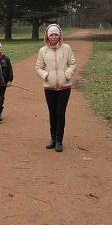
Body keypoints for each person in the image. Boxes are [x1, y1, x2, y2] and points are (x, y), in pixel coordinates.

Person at [35, 23, 76, 152]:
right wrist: (45, 75)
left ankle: (59, 140)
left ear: (60, 36)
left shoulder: (67, 48)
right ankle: (52, 138)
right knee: (52, 113)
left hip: (65, 87)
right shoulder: (43, 51)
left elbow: (72, 63)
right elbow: (38, 67)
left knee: (60, 113)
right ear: (47, 36)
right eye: (51, 34)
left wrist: (67, 74)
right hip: (49, 87)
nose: (53, 37)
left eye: (56, 34)